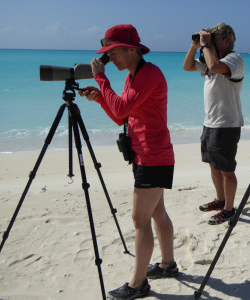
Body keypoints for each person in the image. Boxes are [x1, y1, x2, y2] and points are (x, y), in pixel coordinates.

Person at [78, 24, 178, 299]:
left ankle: (138, 283)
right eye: (108, 55)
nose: (112, 60)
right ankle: (168, 265)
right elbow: (122, 117)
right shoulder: (133, 76)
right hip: (147, 154)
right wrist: (100, 98)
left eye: (113, 53)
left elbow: (121, 108)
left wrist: (101, 80)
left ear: (131, 49)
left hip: (153, 156)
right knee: (157, 212)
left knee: (139, 218)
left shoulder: (149, 74)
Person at [183, 23, 245, 225]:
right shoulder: (212, 58)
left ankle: (229, 209)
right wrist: (195, 45)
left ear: (227, 40)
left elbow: (214, 67)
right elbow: (187, 66)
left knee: (227, 170)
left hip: (226, 125)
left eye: (214, 38)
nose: (210, 42)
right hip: (210, 123)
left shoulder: (234, 59)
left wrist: (206, 45)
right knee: (213, 164)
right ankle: (220, 200)